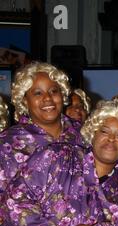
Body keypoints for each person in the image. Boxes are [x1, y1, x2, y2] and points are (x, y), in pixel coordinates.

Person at [0, 62, 82, 194]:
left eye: (54, 91)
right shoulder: (7, 144)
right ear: (25, 101)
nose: (48, 98)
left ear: (62, 94)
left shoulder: (84, 134)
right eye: (38, 93)